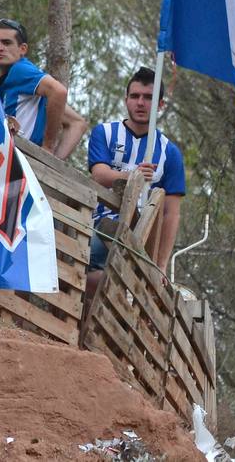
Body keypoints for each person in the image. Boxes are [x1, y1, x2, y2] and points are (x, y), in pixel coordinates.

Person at [85, 67, 185, 297]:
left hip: (140, 237)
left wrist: (160, 264)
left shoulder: (169, 152)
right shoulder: (105, 133)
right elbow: (99, 174)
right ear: (126, 100)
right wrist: (134, 176)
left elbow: (171, 213)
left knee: (122, 282)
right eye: (135, 96)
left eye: (149, 97)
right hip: (98, 224)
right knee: (84, 269)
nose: (140, 103)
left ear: (160, 105)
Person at [0, 18, 86, 158]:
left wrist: (47, 149)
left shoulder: (20, 70)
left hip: (21, 161)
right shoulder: (31, 92)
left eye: (6, 42)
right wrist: (54, 163)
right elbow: (77, 123)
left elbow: (59, 91)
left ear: (22, 49)